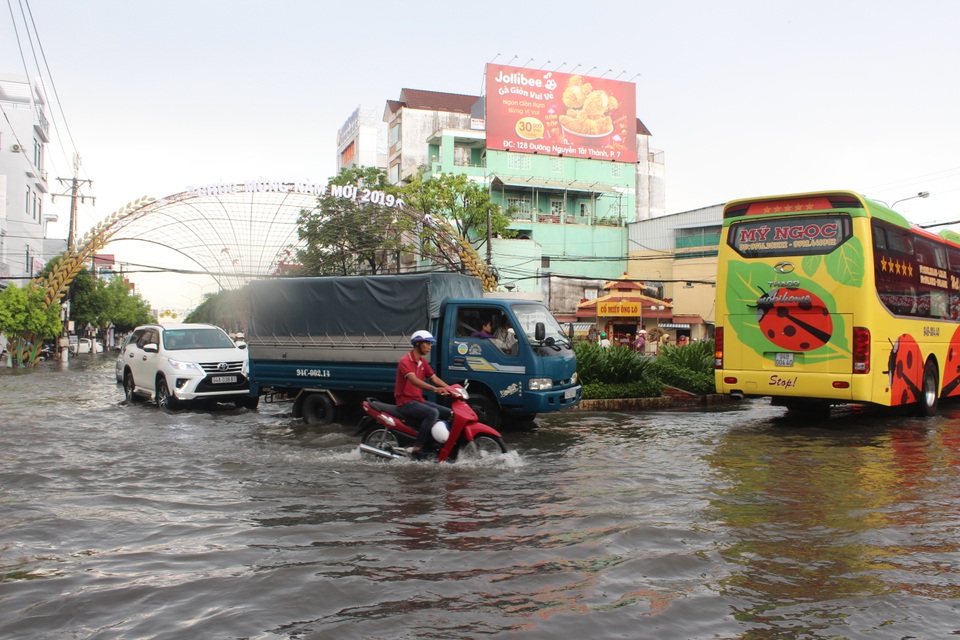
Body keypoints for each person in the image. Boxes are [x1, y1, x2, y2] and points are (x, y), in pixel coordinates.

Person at [395, 330, 453, 458]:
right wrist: (434, 389)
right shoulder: (405, 361)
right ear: (417, 344)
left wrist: (451, 389)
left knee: (449, 413)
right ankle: (418, 447)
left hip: (418, 400)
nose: (429, 346)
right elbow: (414, 380)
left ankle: (440, 444)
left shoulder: (422, 362)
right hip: (405, 402)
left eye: (430, 344)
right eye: (427, 343)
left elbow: (434, 378)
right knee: (433, 413)